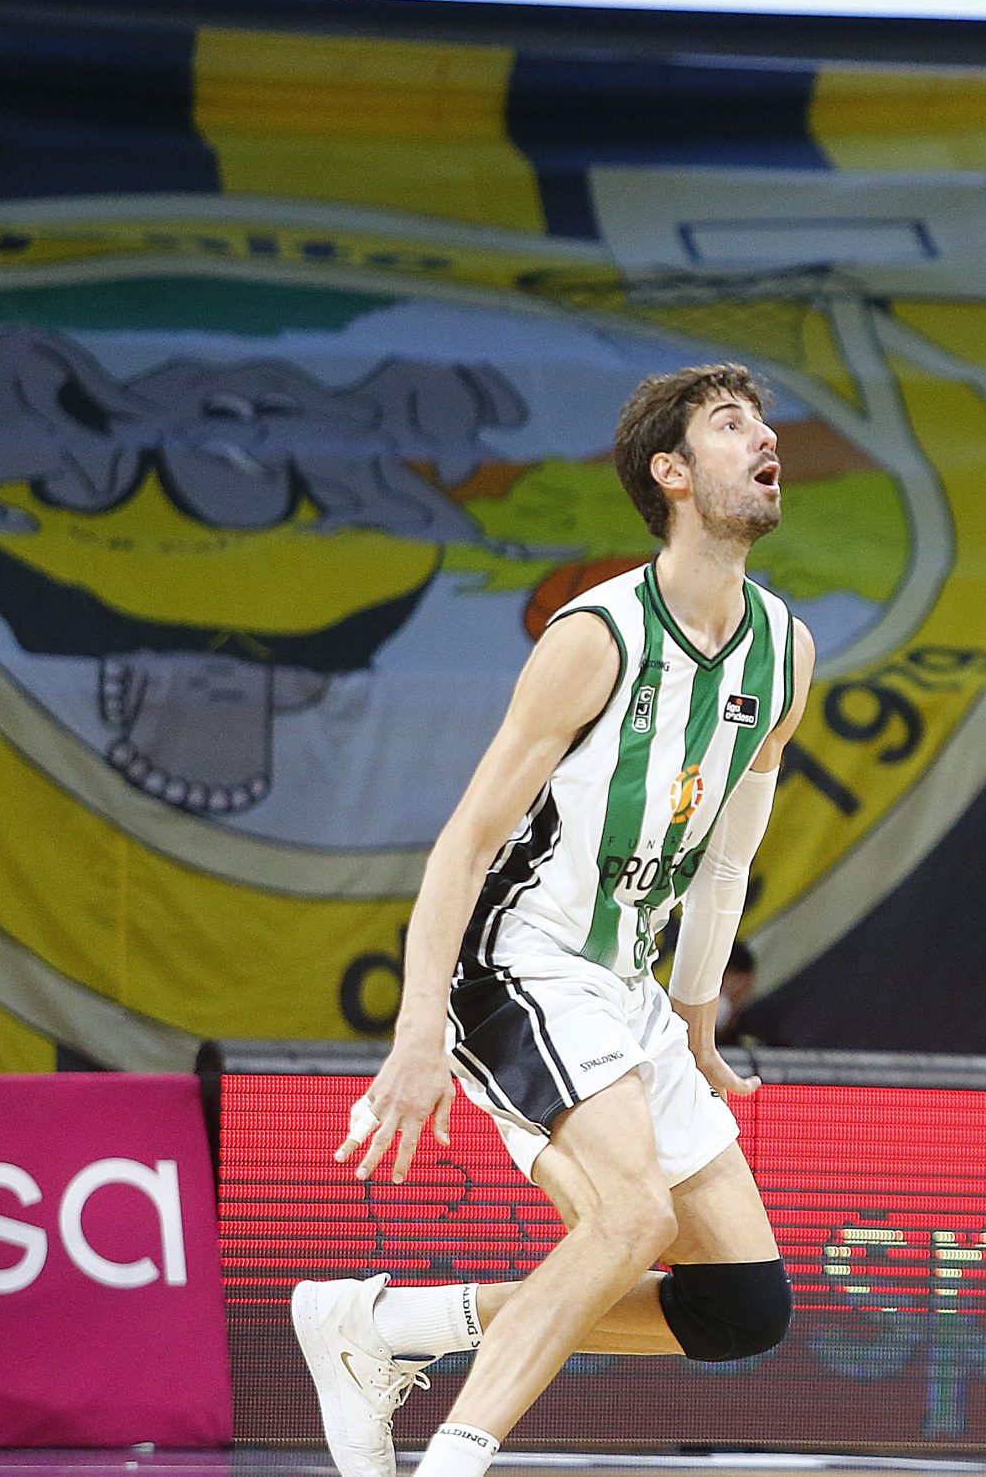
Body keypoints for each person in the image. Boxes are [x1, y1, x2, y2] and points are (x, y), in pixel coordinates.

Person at [290, 364, 816, 1477]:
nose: (766, 438)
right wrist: (416, 1034)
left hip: (626, 984)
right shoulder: (596, 635)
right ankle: (457, 1458)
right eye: (732, 425)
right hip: (519, 960)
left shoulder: (786, 650)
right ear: (672, 474)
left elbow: (727, 858)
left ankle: (382, 1326)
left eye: (764, 424)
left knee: (741, 1305)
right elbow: (463, 843)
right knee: (628, 1218)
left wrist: (696, 1022)